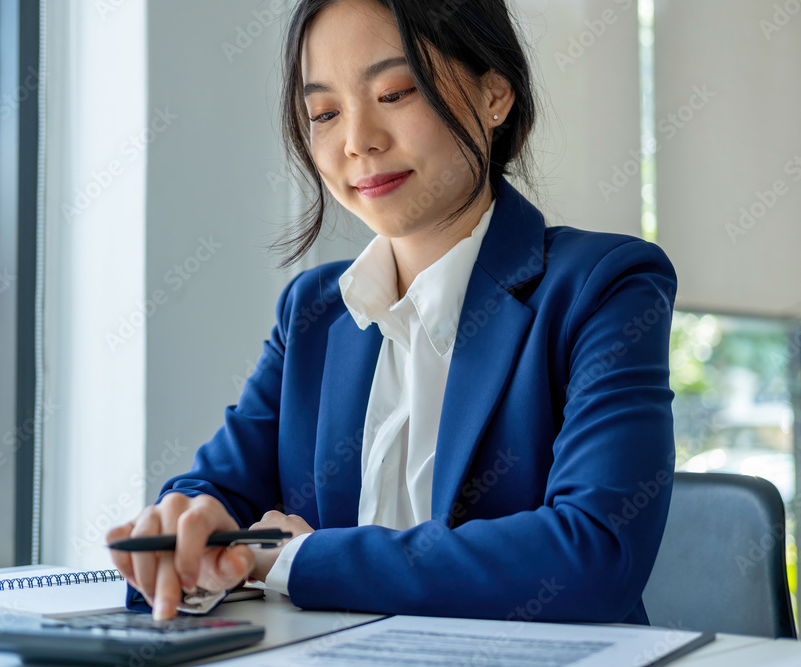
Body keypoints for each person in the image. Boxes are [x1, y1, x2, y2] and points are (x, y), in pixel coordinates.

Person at [108, 0, 678, 625]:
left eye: (396, 93)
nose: (358, 142)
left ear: (495, 94)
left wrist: (296, 559)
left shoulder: (604, 285)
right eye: (324, 112)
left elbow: (592, 557)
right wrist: (189, 535)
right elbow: (218, 489)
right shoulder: (314, 313)